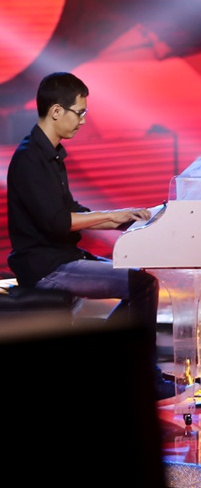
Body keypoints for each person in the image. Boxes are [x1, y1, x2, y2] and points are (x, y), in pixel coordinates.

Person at [6, 72, 172, 397]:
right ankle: (141, 377)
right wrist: (110, 216)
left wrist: (123, 219)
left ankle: (108, 363)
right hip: (46, 267)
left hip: (62, 257)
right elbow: (57, 223)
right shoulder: (29, 159)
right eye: (79, 112)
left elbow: (71, 209)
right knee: (142, 285)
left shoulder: (50, 154)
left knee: (140, 279)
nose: (83, 121)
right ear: (57, 111)